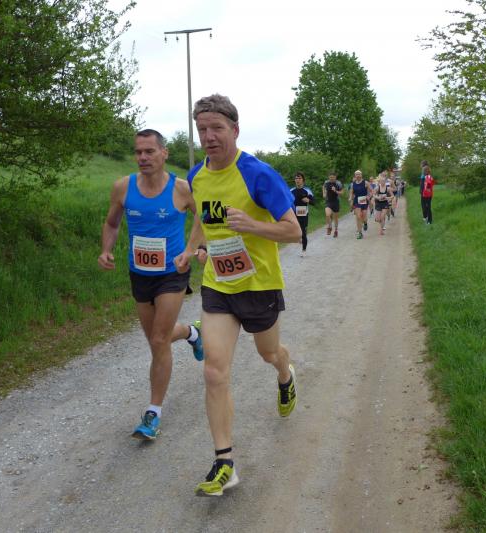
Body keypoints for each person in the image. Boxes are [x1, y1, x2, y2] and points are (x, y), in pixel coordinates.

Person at [175, 94, 301, 497]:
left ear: (235, 130)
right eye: (202, 129)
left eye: (217, 128)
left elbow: (293, 230)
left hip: (259, 284)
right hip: (218, 284)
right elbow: (203, 216)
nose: (209, 136)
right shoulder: (197, 175)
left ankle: (285, 373)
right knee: (214, 371)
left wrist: (253, 226)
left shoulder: (258, 174)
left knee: (269, 353)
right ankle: (224, 462)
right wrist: (192, 248)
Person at [98, 129, 205, 441]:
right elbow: (112, 223)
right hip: (140, 273)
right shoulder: (123, 187)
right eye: (138, 152)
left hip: (172, 273)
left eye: (149, 151)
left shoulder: (182, 188)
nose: (143, 157)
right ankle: (192, 333)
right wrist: (105, 250)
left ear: (164, 153)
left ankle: (153, 413)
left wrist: (192, 249)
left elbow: (202, 218)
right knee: (157, 339)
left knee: (159, 340)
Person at [290, 171, 314, 257]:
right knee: (294, 230)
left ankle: (304, 250)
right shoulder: (291, 191)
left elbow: (314, 202)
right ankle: (299, 237)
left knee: (303, 232)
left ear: (303, 180)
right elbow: (286, 201)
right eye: (296, 178)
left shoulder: (307, 191)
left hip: (303, 213)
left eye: (299, 178)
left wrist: (308, 200)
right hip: (293, 213)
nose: (297, 180)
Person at [348, 170, 371, 239]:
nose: (358, 175)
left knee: (364, 215)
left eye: (359, 174)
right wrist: (350, 198)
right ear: (355, 176)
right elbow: (351, 193)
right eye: (356, 174)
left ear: (361, 175)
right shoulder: (353, 184)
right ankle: (360, 233)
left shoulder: (365, 182)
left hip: (364, 200)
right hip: (356, 201)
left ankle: (365, 223)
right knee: (358, 216)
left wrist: (369, 196)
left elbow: (371, 191)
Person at [322, 172, 343, 237]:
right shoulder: (326, 182)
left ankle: (336, 230)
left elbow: (342, 192)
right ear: (329, 177)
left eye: (333, 177)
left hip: (336, 202)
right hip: (328, 201)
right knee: (327, 214)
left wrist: (336, 191)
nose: (331, 178)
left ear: (335, 177)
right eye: (330, 177)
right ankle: (330, 227)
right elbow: (323, 187)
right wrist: (324, 193)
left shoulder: (338, 183)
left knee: (335, 218)